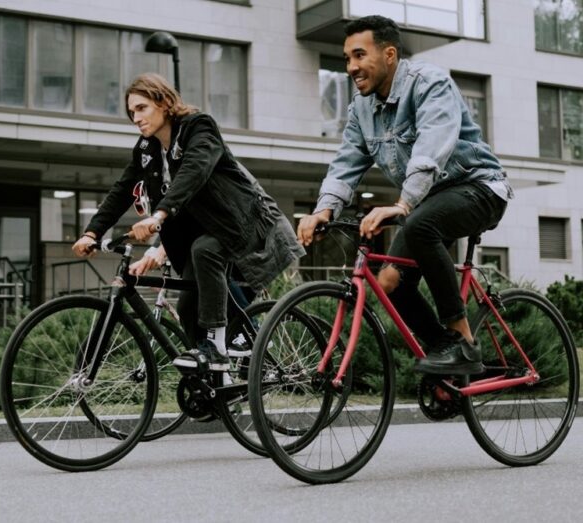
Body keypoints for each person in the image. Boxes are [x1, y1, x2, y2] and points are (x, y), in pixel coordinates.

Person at [297, 15, 512, 375]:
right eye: (347, 58)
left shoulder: (429, 83)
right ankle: (445, 353)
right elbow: (346, 163)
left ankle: (463, 343)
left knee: (419, 224)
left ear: (390, 55)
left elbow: (430, 150)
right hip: (428, 202)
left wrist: (402, 204)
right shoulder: (361, 108)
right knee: (389, 282)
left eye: (360, 55)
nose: (351, 67)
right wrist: (324, 211)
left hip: (479, 187)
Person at [73, 73, 304, 372]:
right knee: (187, 306)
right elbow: (122, 190)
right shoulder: (147, 148)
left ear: (164, 102)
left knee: (205, 251)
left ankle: (217, 348)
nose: (136, 118)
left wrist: (159, 215)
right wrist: (92, 233)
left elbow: (194, 171)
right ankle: (213, 384)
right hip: (201, 235)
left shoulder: (199, 127)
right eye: (131, 112)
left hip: (240, 222)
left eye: (142, 108)